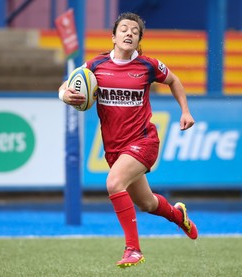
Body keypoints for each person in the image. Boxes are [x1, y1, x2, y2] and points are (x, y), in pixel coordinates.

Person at [58, 12, 198, 268]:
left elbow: (174, 80)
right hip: (115, 150)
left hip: (144, 142)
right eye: (123, 29)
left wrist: (185, 111)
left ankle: (133, 249)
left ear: (139, 40)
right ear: (113, 36)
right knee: (146, 203)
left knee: (114, 183)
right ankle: (179, 216)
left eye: (135, 31)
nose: (129, 33)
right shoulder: (95, 66)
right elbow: (66, 85)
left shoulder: (148, 65)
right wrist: (65, 95)